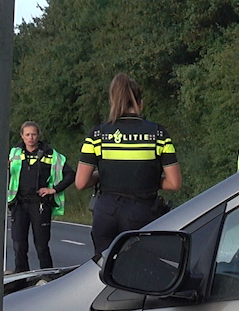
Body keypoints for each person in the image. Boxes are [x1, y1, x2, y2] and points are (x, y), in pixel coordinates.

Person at [77, 73, 181, 257]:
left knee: (104, 271)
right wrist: (144, 177)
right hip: (141, 212)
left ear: (113, 101)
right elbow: (174, 183)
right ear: (140, 103)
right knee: (139, 271)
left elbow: (81, 182)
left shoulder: (97, 134)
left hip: (106, 212)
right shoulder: (158, 134)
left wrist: (107, 174)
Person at [7, 121, 72, 272]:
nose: (31, 138)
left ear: (38, 135)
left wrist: (53, 190)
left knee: (41, 245)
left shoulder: (51, 154)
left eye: (33, 134)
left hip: (40, 205)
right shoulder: (14, 154)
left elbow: (70, 175)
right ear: (22, 136)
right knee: (18, 244)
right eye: (27, 135)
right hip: (19, 204)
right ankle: (21, 277)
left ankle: (47, 277)